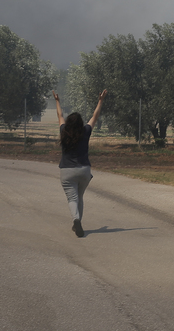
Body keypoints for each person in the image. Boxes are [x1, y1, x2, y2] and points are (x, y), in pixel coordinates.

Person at [54, 89, 107, 238]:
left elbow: (59, 115)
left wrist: (57, 101)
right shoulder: (86, 131)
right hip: (84, 170)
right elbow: (95, 116)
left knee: (72, 198)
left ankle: (76, 220)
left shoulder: (64, 131)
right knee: (80, 197)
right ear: (81, 123)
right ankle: (77, 223)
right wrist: (100, 101)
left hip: (67, 171)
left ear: (69, 123)